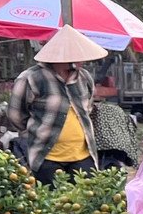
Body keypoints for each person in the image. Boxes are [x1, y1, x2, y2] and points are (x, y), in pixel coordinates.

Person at [6, 25, 107, 184]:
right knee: (52, 204)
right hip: (46, 157)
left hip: (83, 156)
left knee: (84, 203)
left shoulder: (84, 78)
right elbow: (16, 116)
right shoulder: (31, 78)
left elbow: (88, 108)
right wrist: (37, 130)